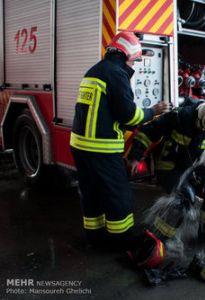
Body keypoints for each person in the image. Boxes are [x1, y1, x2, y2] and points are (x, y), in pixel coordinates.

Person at [70, 31, 170, 251]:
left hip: (79, 146)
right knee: (117, 194)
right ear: (126, 55)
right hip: (101, 148)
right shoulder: (116, 74)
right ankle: (121, 241)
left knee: (91, 192)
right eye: (134, 60)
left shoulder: (94, 71)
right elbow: (128, 115)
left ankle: (95, 238)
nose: (134, 65)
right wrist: (152, 111)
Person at [127, 97, 205, 246]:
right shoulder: (180, 117)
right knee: (185, 197)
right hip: (169, 167)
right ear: (203, 113)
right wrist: (135, 157)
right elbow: (148, 132)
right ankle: (157, 238)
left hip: (193, 168)